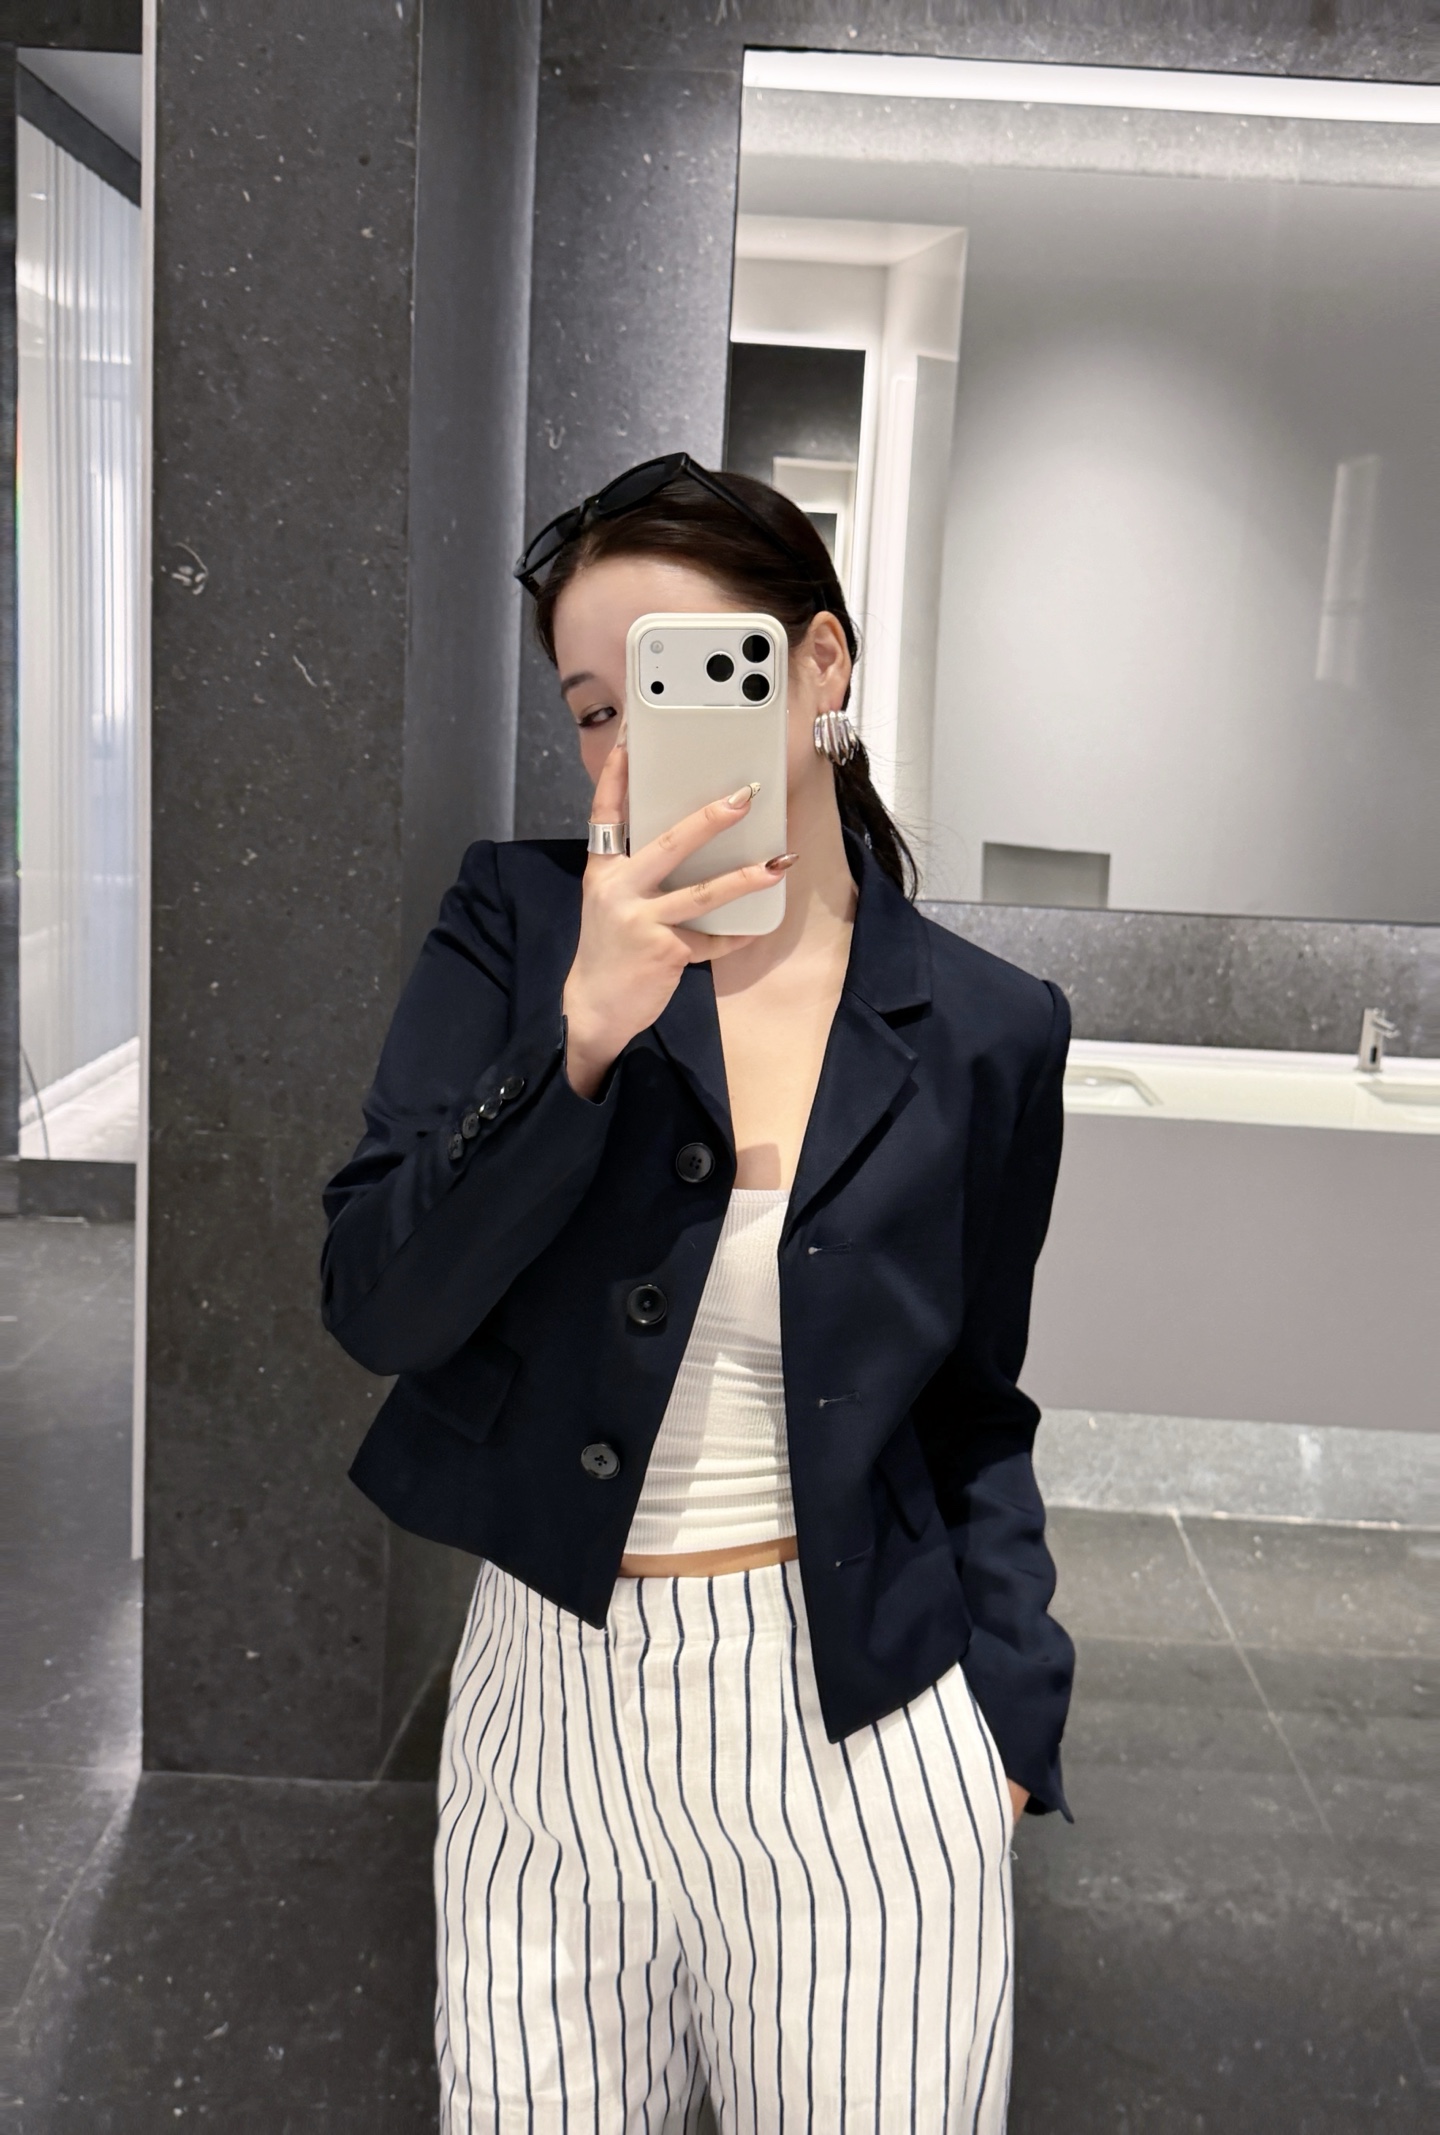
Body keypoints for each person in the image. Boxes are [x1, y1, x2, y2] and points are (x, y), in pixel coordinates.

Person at [320, 455, 1075, 2133]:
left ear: (817, 668)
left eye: (678, 680)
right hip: (546, 1732)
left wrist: (1012, 1715)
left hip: (864, 1737)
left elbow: (978, 1407)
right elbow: (378, 1304)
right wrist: (581, 1037)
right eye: (597, 710)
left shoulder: (989, 1027)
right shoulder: (518, 927)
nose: (630, 746)